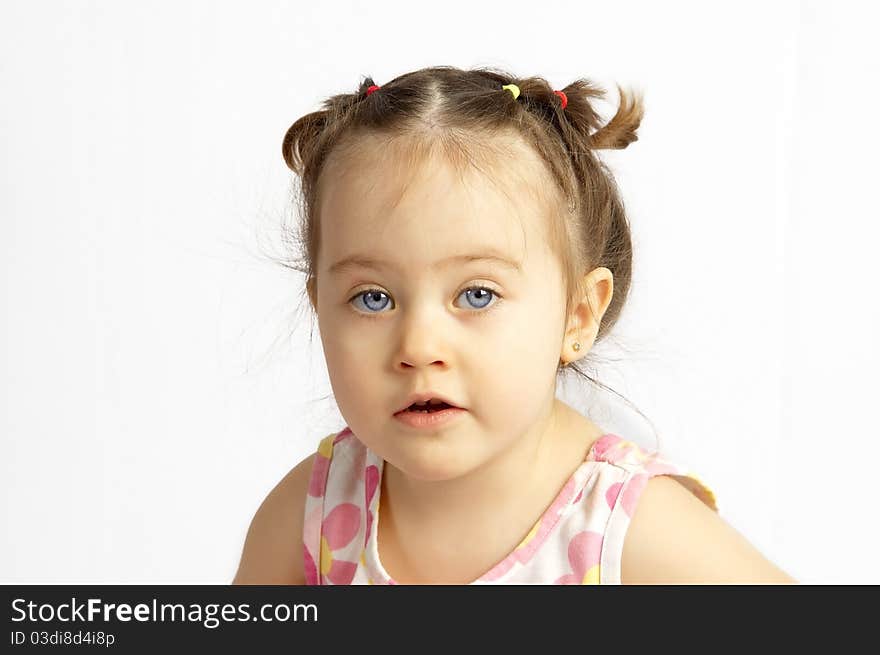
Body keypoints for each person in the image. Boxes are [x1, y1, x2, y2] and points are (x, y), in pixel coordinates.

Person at [233, 65, 796, 585]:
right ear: (320, 307)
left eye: (477, 295)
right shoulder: (316, 511)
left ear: (578, 315)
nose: (419, 347)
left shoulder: (628, 532)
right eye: (373, 298)